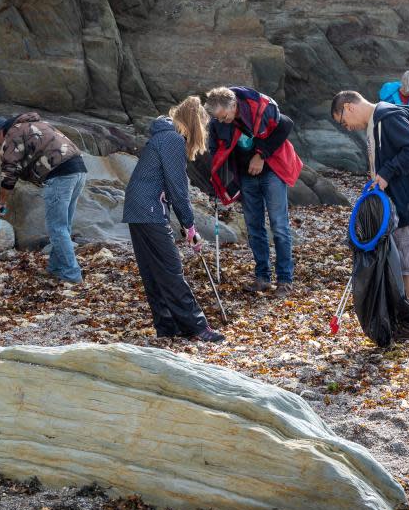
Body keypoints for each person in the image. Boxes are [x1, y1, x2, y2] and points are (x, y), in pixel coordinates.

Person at [331, 90, 409, 341]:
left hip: (408, 203)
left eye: (344, 122)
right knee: (403, 264)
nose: (347, 128)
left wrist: (387, 173)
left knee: (405, 267)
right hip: (397, 203)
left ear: (349, 106)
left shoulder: (386, 117)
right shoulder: (375, 122)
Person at [122, 97, 225, 342]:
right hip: (148, 209)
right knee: (170, 269)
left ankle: (166, 325)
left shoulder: (163, 136)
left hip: (138, 208)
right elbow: (178, 189)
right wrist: (190, 227)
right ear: (194, 123)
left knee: (152, 270)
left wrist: (185, 225)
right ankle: (196, 327)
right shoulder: (172, 140)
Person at [204, 86, 303, 296]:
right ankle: (262, 278)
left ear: (233, 105)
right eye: (218, 119)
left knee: (279, 226)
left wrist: (261, 155)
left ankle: (285, 280)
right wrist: (221, 179)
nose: (222, 121)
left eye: (224, 116)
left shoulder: (258, 107)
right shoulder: (217, 123)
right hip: (246, 176)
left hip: (271, 171)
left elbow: (285, 124)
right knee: (254, 227)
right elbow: (216, 150)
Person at [0, 113, 88, 284]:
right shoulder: (36, 124)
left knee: (57, 229)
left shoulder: (12, 134)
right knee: (63, 227)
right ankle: (56, 268)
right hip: (79, 170)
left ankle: (72, 276)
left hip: (59, 175)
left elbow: (9, 172)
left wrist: (1, 202)